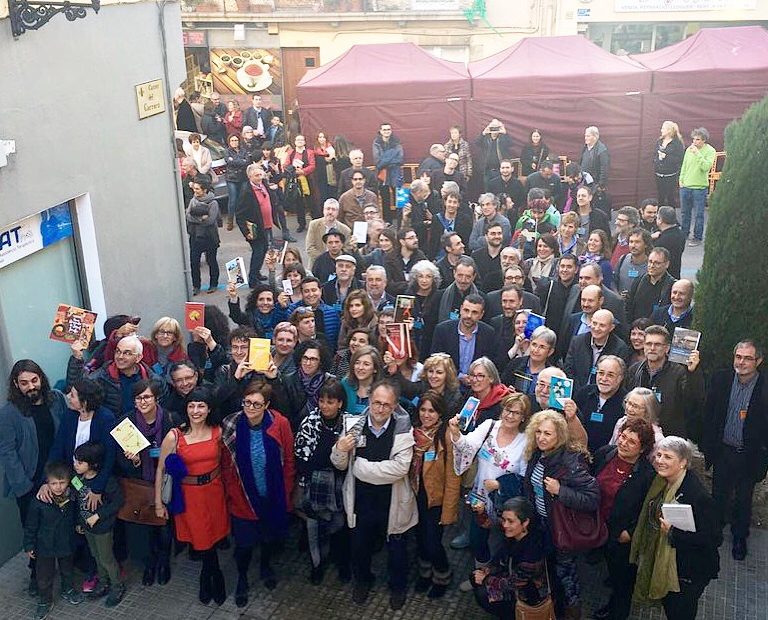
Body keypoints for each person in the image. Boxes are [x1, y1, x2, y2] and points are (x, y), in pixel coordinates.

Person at [331, 380, 417, 610]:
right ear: (369, 402)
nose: (380, 409)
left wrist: (361, 468)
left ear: (394, 406)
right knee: (360, 547)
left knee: (397, 552)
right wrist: (340, 449)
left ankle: (397, 587)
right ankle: (362, 581)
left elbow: (400, 468)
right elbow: (339, 465)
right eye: (376, 403)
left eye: (386, 405)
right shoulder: (353, 425)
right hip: (361, 501)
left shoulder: (402, 428)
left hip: (392, 501)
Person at [220, 380, 294, 606]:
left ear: (267, 405)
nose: (250, 408)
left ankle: (265, 566)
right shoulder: (231, 424)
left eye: (257, 404)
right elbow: (225, 465)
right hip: (242, 498)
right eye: (247, 402)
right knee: (243, 545)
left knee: (268, 539)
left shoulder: (279, 423)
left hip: (272, 495)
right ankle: (242, 577)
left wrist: (287, 492)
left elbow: (289, 460)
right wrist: (231, 494)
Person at [630, 437, 721, 620]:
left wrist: (673, 533)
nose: (660, 461)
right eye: (659, 455)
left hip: (688, 573)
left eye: (668, 457)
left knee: (679, 612)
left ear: (683, 462)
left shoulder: (698, 496)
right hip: (668, 561)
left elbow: (714, 539)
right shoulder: (660, 481)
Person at [155, 387, 230, 606]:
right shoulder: (174, 436)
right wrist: (159, 503)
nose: (196, 411)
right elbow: (161, 470)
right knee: (202, 541)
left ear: (209, 409)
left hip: (215, 493)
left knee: (214, 538)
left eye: (201, 406)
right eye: (191, 405)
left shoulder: (219, 431)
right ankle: (212, 576)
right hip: (189, 497)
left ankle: (209, 575)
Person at [523, 410, 599, 619]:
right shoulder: (538, 454)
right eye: (538, 432)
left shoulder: (570, 462)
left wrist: (561, 491)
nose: (541, 437)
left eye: (548, 433)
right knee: (549, 570)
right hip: (541, 523)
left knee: (566, 574)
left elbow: (592, 498)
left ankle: (572, 610)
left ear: (560, 435)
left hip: (561, 527)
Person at [1, 361, 66, 597]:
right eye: (24, 383)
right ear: (16, 385)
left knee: (64, 526)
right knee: (36, 533)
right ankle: (36, 575)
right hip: (28, 482)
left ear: (41, 378)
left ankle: (69, 571)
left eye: (34, 380)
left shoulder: (56, 399)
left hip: (58, 478)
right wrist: (26, 488)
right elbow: (7, 452)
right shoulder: (9, 413)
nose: (31, 387)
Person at [450, 393, 529, 580]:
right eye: (508, 410)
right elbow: (467, 445)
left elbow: (525, 476)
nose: (510, 416)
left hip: (505, 504)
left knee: (504, 542)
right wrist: (455, 433)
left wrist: (500, 484)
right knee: (478, 539)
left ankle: (497, 578)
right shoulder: (489, 426)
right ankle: (480, 573)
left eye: (516, 413)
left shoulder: (526, 440)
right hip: (480, 497)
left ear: (523, 417)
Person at [702, 339, 767, 561]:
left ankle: (739, 537)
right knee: (718, 493)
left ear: (759, 361)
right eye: (738, 357)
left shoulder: (765, 386)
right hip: (723, 451)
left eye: (748, 358)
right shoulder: (721, 379)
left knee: (743, 499)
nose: (742, 362)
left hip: (749, 454)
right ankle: (715, 530)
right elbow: (710, 413)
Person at [592, 418, 656, 620]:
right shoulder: (605, 454)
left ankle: (618, 613)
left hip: (621, 537)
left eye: (631, 442)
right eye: (623, 436)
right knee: (610, 573)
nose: (623, 443)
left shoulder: (647, 475)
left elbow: (649, 510)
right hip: (598, 526)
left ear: (642, 449)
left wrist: (630, 532)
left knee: (623, 581)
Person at [116, 379, 178, 586]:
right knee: (145, 529)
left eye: (147, 397)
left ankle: (164, 562)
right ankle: (150, 564)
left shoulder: (170, 418)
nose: (143, 402)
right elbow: (120, 463)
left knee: (164, 527)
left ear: (156, 398)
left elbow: (181, 453)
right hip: (140, 484)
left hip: (166, 482)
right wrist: (132, 461)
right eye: (139, 398)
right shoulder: (126, 424)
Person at [39, 379, 117, 528]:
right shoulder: (70, 415)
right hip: (74, 477)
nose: (68, 396)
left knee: (91, 518)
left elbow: (109, 457)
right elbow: (57, 448)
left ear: (85, 401)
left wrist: (97, 488)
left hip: (96, 480)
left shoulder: (106, 418)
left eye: (73, 395)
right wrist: (47, 479)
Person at [294, 379, 350, 583]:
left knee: (339, 524)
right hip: (314, 484)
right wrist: (330, 447)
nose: (325, 405)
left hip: (339, 485)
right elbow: (303, 458)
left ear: (340, 403)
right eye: (322, 401)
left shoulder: (347, 423)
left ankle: (341, 562)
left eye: (330, 401)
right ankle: (317, 565)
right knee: (313, 528)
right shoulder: (310, 422)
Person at [410, 392, 461, 598]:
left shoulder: (446, 435)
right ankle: (425, 572)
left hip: (436, 498)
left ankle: (442, 574)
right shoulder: (413, 432)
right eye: (423, 410)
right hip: (415, 494)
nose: (426, 415)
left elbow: (453, 474)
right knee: (420, 538)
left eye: (431, 410)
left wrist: (449, 509)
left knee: (432, 541)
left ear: (440, 412)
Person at [23, 461, 84, 619]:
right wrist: (29, 545)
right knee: (44, 575)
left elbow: (78, 511)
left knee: (67, 569)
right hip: (45, 545)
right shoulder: (38, 502)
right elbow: (31, 526)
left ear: (68, 481)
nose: (58, 487)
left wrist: (79, 524)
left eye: (62, 482)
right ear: (47, 483)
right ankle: (44, 601)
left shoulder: (73, 496)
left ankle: (68, 590)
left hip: (66, 541)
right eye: (54, 483)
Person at [471, 497, 550, 619]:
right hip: (513, 580)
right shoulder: (516, 533)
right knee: (475, 578)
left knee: (483, 592)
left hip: (528, 595)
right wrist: (489, 569)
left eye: (510, 521)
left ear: (525, 522)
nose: (505, 525)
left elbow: (514, 583)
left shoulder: (531, 554)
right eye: (504, 520)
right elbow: (489, 524)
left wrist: (486, 579)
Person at [624, 325, 704, 439]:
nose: (652, 348)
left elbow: (692, 403)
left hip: (669, 437)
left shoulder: (680, 373)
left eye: (657, 345)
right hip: (638, 436)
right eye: (648, 344)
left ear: (667, 348)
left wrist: (693, 373)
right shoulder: (634, 370)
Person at [72, 441, 125, 607]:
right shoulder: (77, 479)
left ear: (93, 464)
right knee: (96, 556)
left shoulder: (106, 481)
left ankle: (117, 586)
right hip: (87, 528)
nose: (75, 465)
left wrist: (98, 516)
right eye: (75, 461)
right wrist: (80, 522)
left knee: (107, 558)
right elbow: (78, 502)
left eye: (80, 463)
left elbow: (117, 501)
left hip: (102, 528)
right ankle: (103, 582)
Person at [566, 355, 627, 452]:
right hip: (578, 454)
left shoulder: (627, 402)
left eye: (610, 375)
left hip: (606, 458)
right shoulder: (584, 393)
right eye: (601, 373)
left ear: (620, 378)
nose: (604, 378)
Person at [272, 339, 334, 431]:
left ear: (320, 361)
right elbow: (283, 411)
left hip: (323, 431)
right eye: (305, 358)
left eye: (313, 359)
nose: (308, 363)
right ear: (300, 359)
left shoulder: (330, 381)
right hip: (294, 430)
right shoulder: (288, 380)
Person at [430, 296, 496, 381]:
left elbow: (489, 363)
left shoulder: (488, 333)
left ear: (481, 315)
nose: (469, 315)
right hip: (447, 383)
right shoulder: (443, 330)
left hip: (477, 384)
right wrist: (459, 376)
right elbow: (436, 361)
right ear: (461, 309)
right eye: (466, 310)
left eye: (474, 312)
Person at [565, 310, 630, 392]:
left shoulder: (620, 348)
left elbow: (619, 378)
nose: (596, 328)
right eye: (594, 323)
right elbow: (568, 369)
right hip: (576, 392)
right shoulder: (577, 341)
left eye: (602, 325)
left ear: (611, 327)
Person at [237, 164, 279, 285]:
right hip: (255, 228)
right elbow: (239, 214)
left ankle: (257, 273)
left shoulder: (264, 184)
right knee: (258, 251)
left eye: (261, 174)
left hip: (266, 225)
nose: (260, 177)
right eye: (256, 175)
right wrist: (246, 232)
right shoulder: (246, 191)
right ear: (250, 176)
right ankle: (253, 279)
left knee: (264, 248)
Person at [679, 127, 717, 246]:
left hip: (699, 188)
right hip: (686, 186)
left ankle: (697, 237)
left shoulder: (710, 151)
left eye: (698, 139)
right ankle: (684, 233)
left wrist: (698, 154)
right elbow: (684, 165)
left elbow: (706, 167)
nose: (695, 142)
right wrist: (681, 179)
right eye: (694, 139)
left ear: (704, 140)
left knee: (699, 214)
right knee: (685, 212)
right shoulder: (689, 150)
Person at [186, 176, 221, 295]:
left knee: (211, 261)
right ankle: (196, 286)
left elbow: (210, 220)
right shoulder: (193, 201)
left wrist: (195, 218)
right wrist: (200, 218)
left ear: (205, 190)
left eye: (198, 189)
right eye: (194, 189)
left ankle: (213, 284)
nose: (195, 191)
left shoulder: (213, 202)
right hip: (195, 236)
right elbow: (188, 216)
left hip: (210, 236)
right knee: (194, 262)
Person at [502, 326, 557, 396]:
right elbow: (502, 386)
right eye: (534, 344)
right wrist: (507, 391)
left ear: (550, 352)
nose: (536, 350)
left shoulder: (553, 375)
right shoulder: (516, 363)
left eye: (542, 347)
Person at [626, 247, 675, 323]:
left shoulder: (672, 285)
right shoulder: (639, 281)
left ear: (667, 264)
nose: (652, 265)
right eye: (650, 262)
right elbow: (630, 306)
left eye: (657, 263)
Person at [536, 254, 579, 332]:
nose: (565, 270)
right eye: (562, 266)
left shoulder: (579, 290)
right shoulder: (548, 286)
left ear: (576, 269)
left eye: (569, 267)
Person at [427, 188, 474, 260]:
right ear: (445, 202)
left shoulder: (465, 220)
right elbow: (433, 242)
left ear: (458, 204)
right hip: (439, 257)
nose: (451, 205)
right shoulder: (436, 219)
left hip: (459, 257)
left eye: (455, 202)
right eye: (449, 201)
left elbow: (467, 241)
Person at [283, 134, 317, 230]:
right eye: (298, 140)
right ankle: (301, 224)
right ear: (294, 142)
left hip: (307, 180)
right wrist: (293, 170)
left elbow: (312, 165)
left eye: (302, 140)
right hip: (295, 181)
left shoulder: (309, 152)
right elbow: (285, 165)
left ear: (305, 142)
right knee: (299, 203)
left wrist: (303, 171)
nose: (300, 141)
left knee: (311, 201)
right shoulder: (291, 153)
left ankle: (315, 221)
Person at [436, 257, 484, 323]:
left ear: (474, 276)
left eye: (468, 277)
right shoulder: (439, 297)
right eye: (460, 275)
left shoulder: (482, 298)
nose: (463, 280)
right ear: (454, 273)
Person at [306, 198, 352, 268]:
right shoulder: (314, 225)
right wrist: (325, 260)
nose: (330, 212)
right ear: (323, 210)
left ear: (338, 212)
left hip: (337, 266)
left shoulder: (345, 230)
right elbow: (310, 248)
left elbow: (347, 250)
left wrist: (334, 260)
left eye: (333, 209)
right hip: (316, 265)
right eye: (328, 209)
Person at [372, 123, 404, 222]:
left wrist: (385, 159)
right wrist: (392, 156)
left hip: (395, 172)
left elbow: (400, 159)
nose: (387, 131)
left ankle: (402, 219)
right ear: (380, 131)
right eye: (384, 129)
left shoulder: (397, 142)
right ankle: (388, 221)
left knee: (400, 196)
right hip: (383, 174)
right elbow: (377, 161)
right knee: (385, 197)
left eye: (388, 129)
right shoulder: (376, 143)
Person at [341, 346, 384, 416]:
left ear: (375, 369)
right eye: (357, 363)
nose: (360, 367)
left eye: (366, 364)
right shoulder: (345, 384)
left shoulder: (382, 390)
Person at [384, 228, 427, 295]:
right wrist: (408, 284)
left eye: (416, 237)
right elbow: (388, 284)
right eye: (411, 238)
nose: (416, 240)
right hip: (394, 296)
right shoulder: (390, 258)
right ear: (402, 242)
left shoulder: (421, 258)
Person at [475, 119, 514, 190]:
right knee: (487, 189)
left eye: (496, 127)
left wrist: (504, 132)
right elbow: (477, 143)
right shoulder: (486, 138)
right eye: (493, 127)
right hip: (487, 169)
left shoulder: (502, 138)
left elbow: (511, 143)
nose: (494, 130)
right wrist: (483, 133)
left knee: (499, 188)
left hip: (500, 169)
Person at [654, 121, 685, 209]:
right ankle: (659, 217)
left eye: (663, 128)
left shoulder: (677, 143)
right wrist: (657, 159)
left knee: (670, 197)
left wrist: (666, 157)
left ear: (669, 130)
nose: (661, 130)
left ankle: (672, 218)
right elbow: (654, 154)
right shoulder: (659, 141)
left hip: (671, 174)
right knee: (660, 196)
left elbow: (680, 158)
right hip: (659, 173)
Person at [614, 228, 651, 300]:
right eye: (631, 242)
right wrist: (617, 295)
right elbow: (614, 281)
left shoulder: (651, 264)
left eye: (637, 242)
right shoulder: (622, 259)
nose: (633, 245)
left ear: (646, 244)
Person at [224, 133, 250, 230]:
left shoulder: (244, 151)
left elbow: (247, 162)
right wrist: (240, 161)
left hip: (243, 177)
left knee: (242, 199)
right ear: (229, 142)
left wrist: (235, 161)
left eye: (236, 140)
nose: (234, 142)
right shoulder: (227, 151)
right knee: (233, 200)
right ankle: (230, 220)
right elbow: (228, 161)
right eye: (232, 141)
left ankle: (242, 219)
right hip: (231, 178)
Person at [652, 206, 686, 280]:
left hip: (662, 278)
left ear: (660, 220)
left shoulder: (661, 240)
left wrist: (650, 238)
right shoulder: (681, 234)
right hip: (675, 274)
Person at [472, 223, 506, 293]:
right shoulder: (476, 256)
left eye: (499, 233)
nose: (497, 236)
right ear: (486, 236)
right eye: (493, 234)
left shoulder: (507, 256)